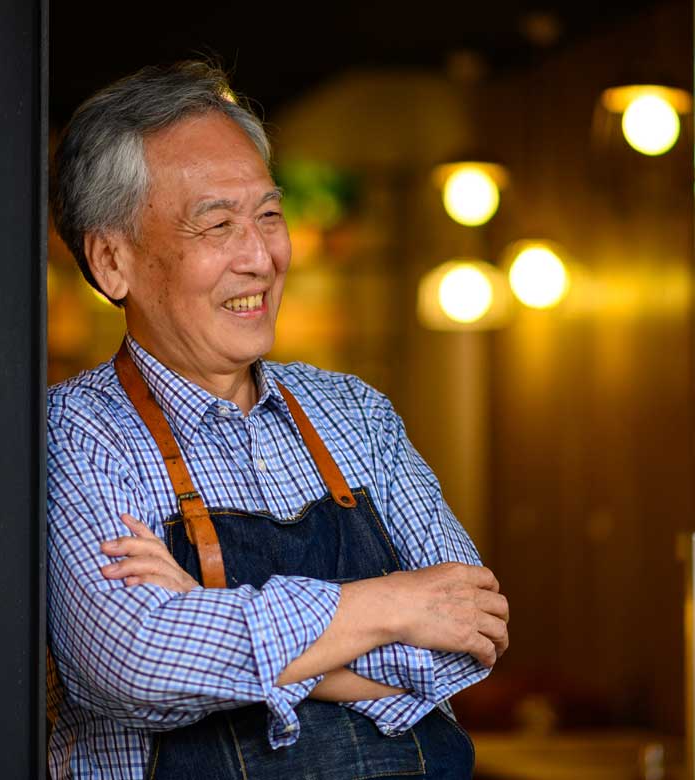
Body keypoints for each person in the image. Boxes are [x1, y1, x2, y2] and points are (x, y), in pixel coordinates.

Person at [47, 61, 510, 780]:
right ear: (113, 262)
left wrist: (205, 612)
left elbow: (470, 630)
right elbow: (134, 661)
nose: (261, 257)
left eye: (268, 215)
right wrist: (390, 604)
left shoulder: (355, 413)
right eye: (219, 224)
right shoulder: (78, 431)